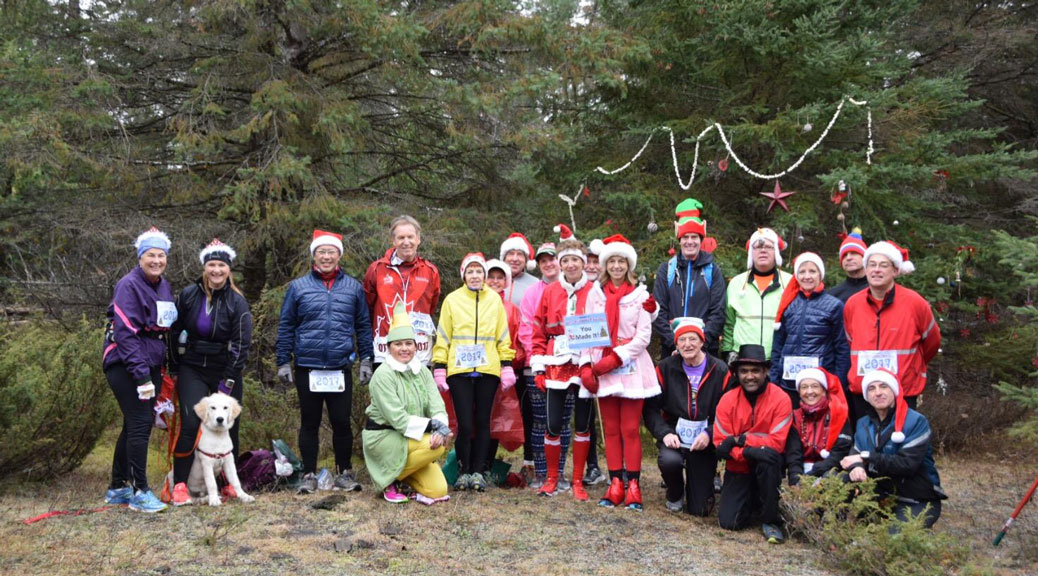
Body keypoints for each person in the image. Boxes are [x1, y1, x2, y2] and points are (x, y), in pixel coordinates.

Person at [276, 229, 374, 494]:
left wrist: (367, 359)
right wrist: (283, 361)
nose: (327, 256)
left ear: (339, 255)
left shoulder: (353, 287)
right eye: (322, 252)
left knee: (342, 422)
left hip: (340, 366)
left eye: (332, 252)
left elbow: (363, 326)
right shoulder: (298, 287)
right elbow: (286, 325)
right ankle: (308, 474)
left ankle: (345, 473)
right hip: (308, 366)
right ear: (314, 256)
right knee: (309, 421)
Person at [168, 239, 253, 507]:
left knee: (229, 424)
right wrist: (173, 366)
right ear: (205, 267)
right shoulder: (188, 295)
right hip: (192, 366)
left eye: (222, 265)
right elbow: (172, 330)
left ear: (229, 269)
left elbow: (242, 343)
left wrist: (229, 378)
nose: (216, 270)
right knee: (192, 424)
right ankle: (180, 484)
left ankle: (228, 485)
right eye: (212, 265)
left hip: (224, 368)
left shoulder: (237, 302)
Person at [102, 227, 177, 513]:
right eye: (150, 255)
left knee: (134, 421)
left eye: (161, 255)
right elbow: (126, 333)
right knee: (140, 423)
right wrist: (141, 375)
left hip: (152, 362)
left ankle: (117, 486)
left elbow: (163, 328)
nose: (156, 260)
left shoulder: (163, 285)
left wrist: (162, 367)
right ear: (140, 257)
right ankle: (139, 490)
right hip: (126, 362)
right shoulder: (128, 285)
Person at [583, 235, 660, 509]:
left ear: (629, 265)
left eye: (621, 261)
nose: (616, 266)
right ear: (605, 266)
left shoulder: (640, 295)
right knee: (611, 429)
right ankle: (615, 482)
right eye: (612, 261)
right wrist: (585, 367)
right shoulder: (596, 294)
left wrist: (616, 357)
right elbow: (588, 333)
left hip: (630, 366)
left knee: (629, 428)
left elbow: (643, 337)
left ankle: (634, 486)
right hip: (602, 365)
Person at [432, 253, 516, 492]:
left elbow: (502, 335)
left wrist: (506, 364)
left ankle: (478, 472)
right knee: (465, 423)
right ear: (464, 275)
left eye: (480, 271)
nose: (476, 275)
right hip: (459, 370)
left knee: (483, 422)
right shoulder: (452, 299)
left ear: (485, 275)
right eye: (471, 271)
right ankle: (463, 471)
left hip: (488, 369)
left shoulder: (494, 301)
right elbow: (444, 335)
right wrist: (439, 366)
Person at [363, 303, 453, 505]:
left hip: (413, 438)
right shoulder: (383, 375)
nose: (404, 349)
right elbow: (399, 420)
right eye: (398, 344)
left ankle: (402, 478)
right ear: (389, 347)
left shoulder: (421, 371)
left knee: (438, 490)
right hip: (385, 437)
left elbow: (437, 405)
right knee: (436, 448)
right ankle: (388, 481)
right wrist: (434, 427)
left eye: (408, 344)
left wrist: (441, 428)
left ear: (415, 346)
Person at [529, 234, 595, 497]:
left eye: (575, 261)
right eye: (565, 260)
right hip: (556, 358)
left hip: (584, 361)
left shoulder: (594, 291)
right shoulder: (549, 291)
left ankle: (577, 481)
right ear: (560, 263)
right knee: (553, 423)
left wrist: (594, 365)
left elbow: (602, 330)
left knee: (581, 424)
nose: (570, 265)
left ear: (583, 264)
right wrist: (538, 367)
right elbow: (538, 329)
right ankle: (552, 478)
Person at [844, 241, 941, 418]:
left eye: (883, 265)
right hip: (864, 390)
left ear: (895, 271)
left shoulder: (915, 303)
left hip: (902, 390)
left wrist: (912, 367)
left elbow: (932, 343)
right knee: (865, 443)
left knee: (901, 443)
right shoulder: (852, 304)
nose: (876, 270)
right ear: (865, 270)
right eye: (871, 265)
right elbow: (850, 340)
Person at [840, 369, 946, 528]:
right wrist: (857, 466)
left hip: (917, 499)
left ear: (894, 390)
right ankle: (827, 529)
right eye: (871, 388)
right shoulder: (863, 423)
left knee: (892, 542)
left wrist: (866, 457)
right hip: (881, 496)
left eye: (883, 386)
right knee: (838, 477)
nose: (878, 393)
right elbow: (855, 452)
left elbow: (907, 464)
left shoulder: (916, 421)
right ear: (866, 396)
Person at [644, 317, 728, 516]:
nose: (687, 344)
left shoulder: (720, 370)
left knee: (699, 510)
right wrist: (664, 433)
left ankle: (699, 489)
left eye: (693, 339)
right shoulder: (665, 368)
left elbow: (727, 413)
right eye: (682, 340)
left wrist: (709, 433)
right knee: (669, 461)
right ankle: (674, 492)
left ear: (702, 342)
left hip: (704, 441)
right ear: (676, 343)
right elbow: (650, 409)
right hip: (675, 434)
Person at [714, 344, 793, 543]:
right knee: (729, 523)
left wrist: (739, 440)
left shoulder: (781, 399)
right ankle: (753, 501)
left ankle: (771, 520)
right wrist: (749, 452)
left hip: (768, 467)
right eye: (744, 371)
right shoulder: (727, 400)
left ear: (766, 371)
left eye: (756, 370)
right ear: (737, 373)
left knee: (769, 458)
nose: (750, 376)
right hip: (738, 467)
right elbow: (720, 444)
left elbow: (777, 443)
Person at [517, 234, 569, 488]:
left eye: (553, 259)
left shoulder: (573, 288)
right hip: (537, 362)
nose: (549, 264)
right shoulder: (531, 292)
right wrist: (534, 360)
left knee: (563, 420)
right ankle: (541, 471)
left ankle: (559, 472)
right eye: (543, 261)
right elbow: (527, 329)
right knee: (540, 419)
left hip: (568, 363)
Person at [769, 252, 850, 408]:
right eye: (802, 271)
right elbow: (778, 345)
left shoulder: (834, 306)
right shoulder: (787, 305)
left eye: (812, 271)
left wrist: (837, 382)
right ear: (796, 275)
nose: (807, 276)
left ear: (820, 275)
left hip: (818, 384)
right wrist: (775, 378)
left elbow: (841, 347)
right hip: (789, 383)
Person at [364, 215, 441, 367]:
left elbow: (431, 306)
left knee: (418, 391)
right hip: (385, 348)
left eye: (410, 237)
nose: (406, 242)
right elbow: (369, 306)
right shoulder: (376, 269)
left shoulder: (430, 271)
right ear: (393, 241)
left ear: (418, 239)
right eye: (401, 237)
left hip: (419, 350)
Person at [653, 198, 727, 357]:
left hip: (705, 351)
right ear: (679, 240)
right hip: (672, 349)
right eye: (685, 237)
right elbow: (658, 311)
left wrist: (700, 344)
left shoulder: (713, 271)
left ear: (701, 240)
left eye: (694, 237)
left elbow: (718, 311)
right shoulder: (666, 270)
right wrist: (674, 343)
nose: (690, 242)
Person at [721, 228, 791, 365]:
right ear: (751, 253)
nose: (763, 250)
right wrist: (727, 351)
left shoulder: (789, 283)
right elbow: (729, 323)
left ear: (776, 252)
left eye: (768, 247)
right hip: (744, 360)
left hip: (778, 358)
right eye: (758, 247)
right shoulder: (736, 283)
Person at [784, 368, 851, 486]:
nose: (809, 391)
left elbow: (840, 452)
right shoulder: (795, 417)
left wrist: (813, 473)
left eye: (815, 386)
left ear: (824, 390)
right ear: (799, 392)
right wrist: (796, 480)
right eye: (804, 387)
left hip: (830, 469)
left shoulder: (838, 414)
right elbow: (794, 454)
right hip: (803, 469)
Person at [499, 232, 540, 307]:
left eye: (519, 254)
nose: (515, 259)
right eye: (511, 254)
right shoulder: (492, 281)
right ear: (504, 258)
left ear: (526, 260)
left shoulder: (535, 284)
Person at [828, 230, 868, 303]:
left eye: (854, 253)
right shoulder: (832, 295)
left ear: (864, 257)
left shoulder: (877, 290)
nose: (848, 258)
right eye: (845, 255)